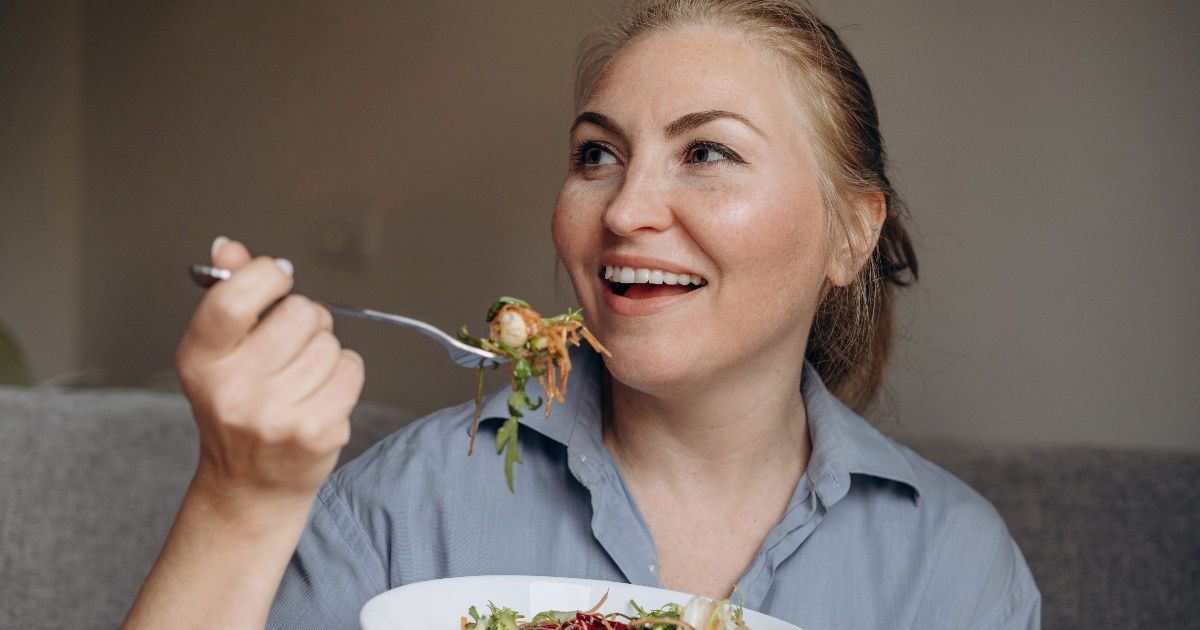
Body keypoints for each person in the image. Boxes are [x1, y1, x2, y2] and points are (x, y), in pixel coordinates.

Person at [121, 1, 1040, 629]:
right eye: (597, 154)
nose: (626, 208)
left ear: (850, 234)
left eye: (708, 151)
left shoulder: (952, 566)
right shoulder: (397, 512)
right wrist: (237, 501)